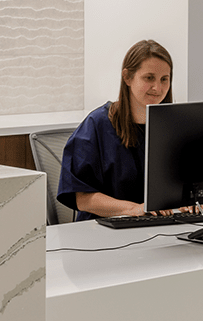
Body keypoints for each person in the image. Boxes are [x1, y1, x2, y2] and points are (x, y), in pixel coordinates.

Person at [56, 40, 177, 221]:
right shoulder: (96, 125)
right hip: (102, 233)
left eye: (164, 79)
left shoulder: (171, 127)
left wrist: (187, 202)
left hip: (156, 229)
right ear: (127, 77)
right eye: (149, 78)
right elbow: (82, 198)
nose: (157, 88)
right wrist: (134, 209)